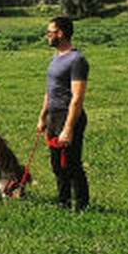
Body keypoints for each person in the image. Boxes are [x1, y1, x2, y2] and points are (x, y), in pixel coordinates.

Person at [36, 16, 90, 211]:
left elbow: (77, 97)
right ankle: (63, 203)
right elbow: (50, 91)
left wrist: (68, 128)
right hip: (53, 116)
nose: (47, 36)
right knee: (57, 165)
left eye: (50, 32)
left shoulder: (77, 60)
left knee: (72, 164)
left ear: (61, 33)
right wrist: (43, 116)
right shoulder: (55, 58)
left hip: (69, 116)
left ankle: (82, 206)